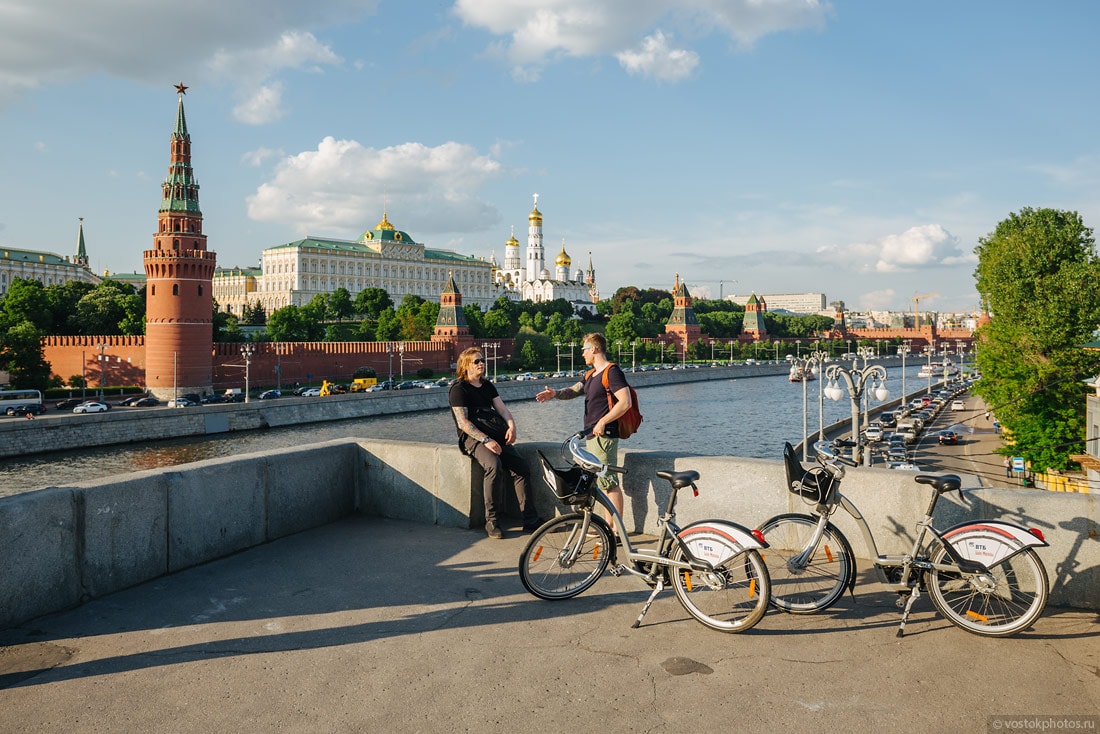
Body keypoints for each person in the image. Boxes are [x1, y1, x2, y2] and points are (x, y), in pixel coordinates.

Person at [535, 333, 633, 543]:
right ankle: (606, 527)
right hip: (591, 435)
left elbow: (625, 402)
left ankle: (615, 532)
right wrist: (554, 394)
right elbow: (574, 390)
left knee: (609, 483)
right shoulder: (591, 375)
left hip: (604, 435)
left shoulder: (611, 371)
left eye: (584, 349)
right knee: (600, 482)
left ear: (595, 349)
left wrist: (603, 421)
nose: (582, 354)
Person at [449, 347, 541, 539]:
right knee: (493, 465)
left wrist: (512, 426)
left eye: (482, 360)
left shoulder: (487, 385)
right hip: (473, 439)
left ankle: (530, 520)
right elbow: (463, 423)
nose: (481, 363)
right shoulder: (459, 389)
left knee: (521, 468)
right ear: (466, 365)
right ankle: (492, 521)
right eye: (477, 361)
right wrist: (486, 440)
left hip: (495, 436)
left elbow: (502, 409)